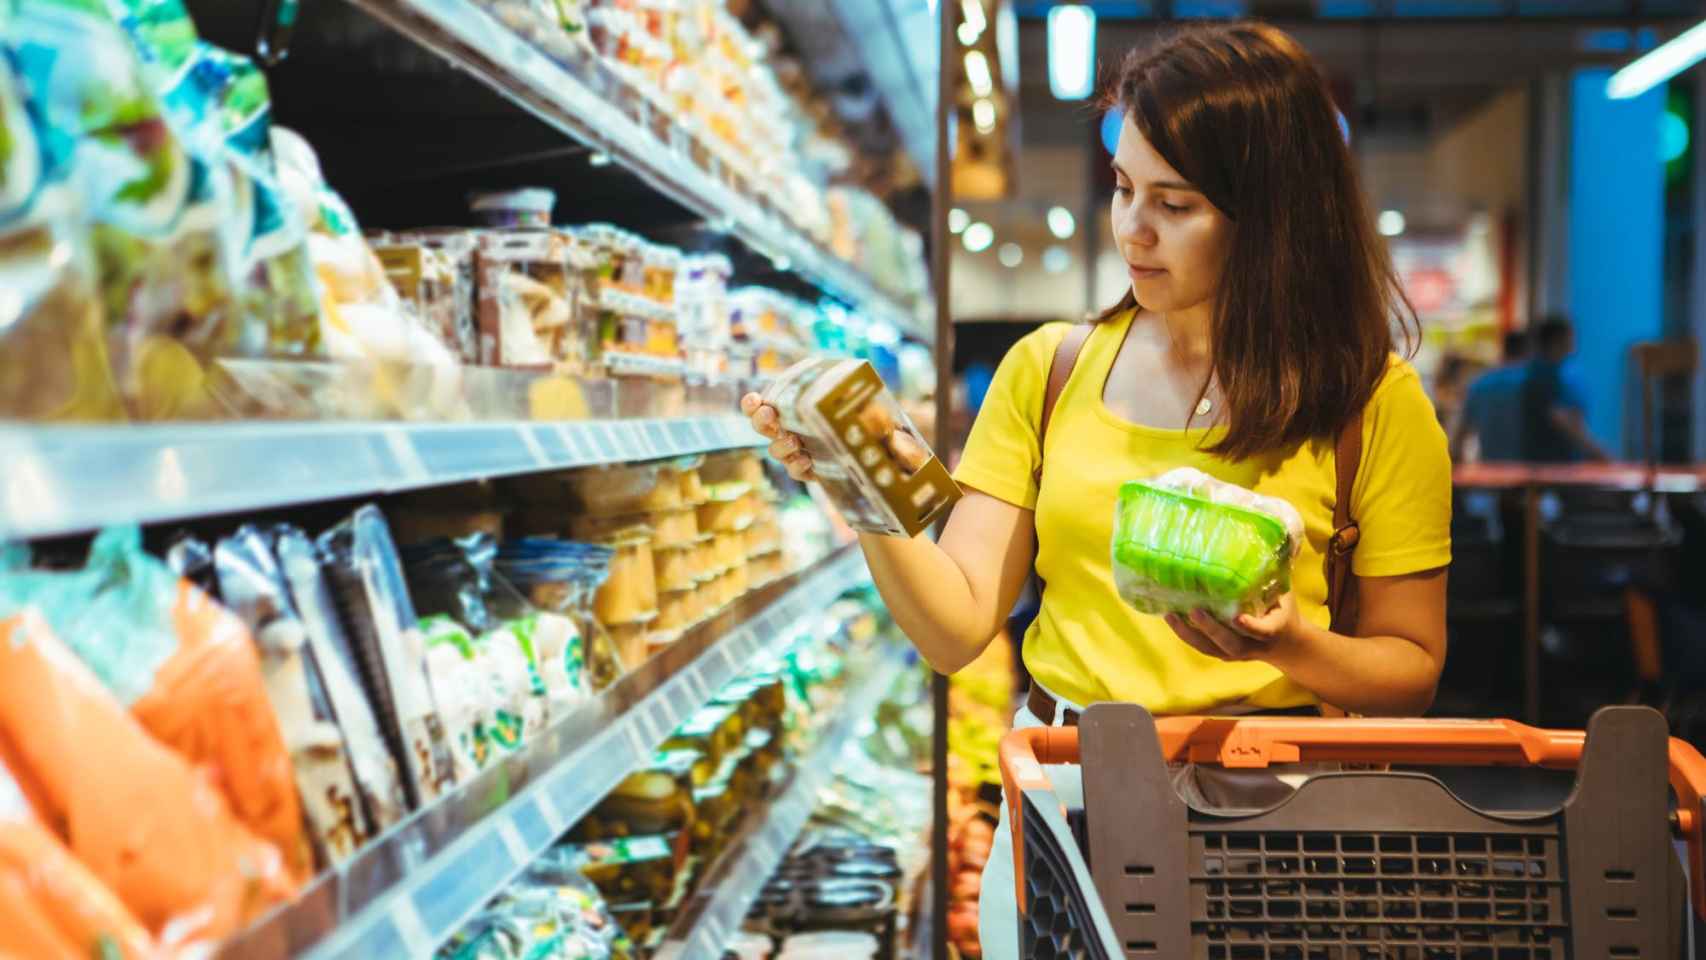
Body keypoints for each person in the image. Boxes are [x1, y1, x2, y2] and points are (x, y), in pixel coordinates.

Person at [743, 22, 1450, 958]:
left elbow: (1411, 666)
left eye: (1176, 203)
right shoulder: (1049, 371)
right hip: (1064, 792)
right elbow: (955, 628)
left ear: (1271, 215)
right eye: (1122, 187)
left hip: (1275, 810)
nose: (1132, 229)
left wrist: (1294, 643)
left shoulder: (1370, 403)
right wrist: (859, 480)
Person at [1520, 318, 1610, 463]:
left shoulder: (1554, 372)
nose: (1574, 342)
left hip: (1556, 461)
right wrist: (1597, 451)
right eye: (1570, 337)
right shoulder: (1543, 374)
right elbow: (1559, 418)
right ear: (1557, 341)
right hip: (1549, 464)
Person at [1450, 330, 1529, 462]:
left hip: (1490, 473)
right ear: (1528, 352)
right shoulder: (1533, 384)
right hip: (1532, 473)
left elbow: (1459, 437)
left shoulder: (1479, 385)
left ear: (1504, 351)